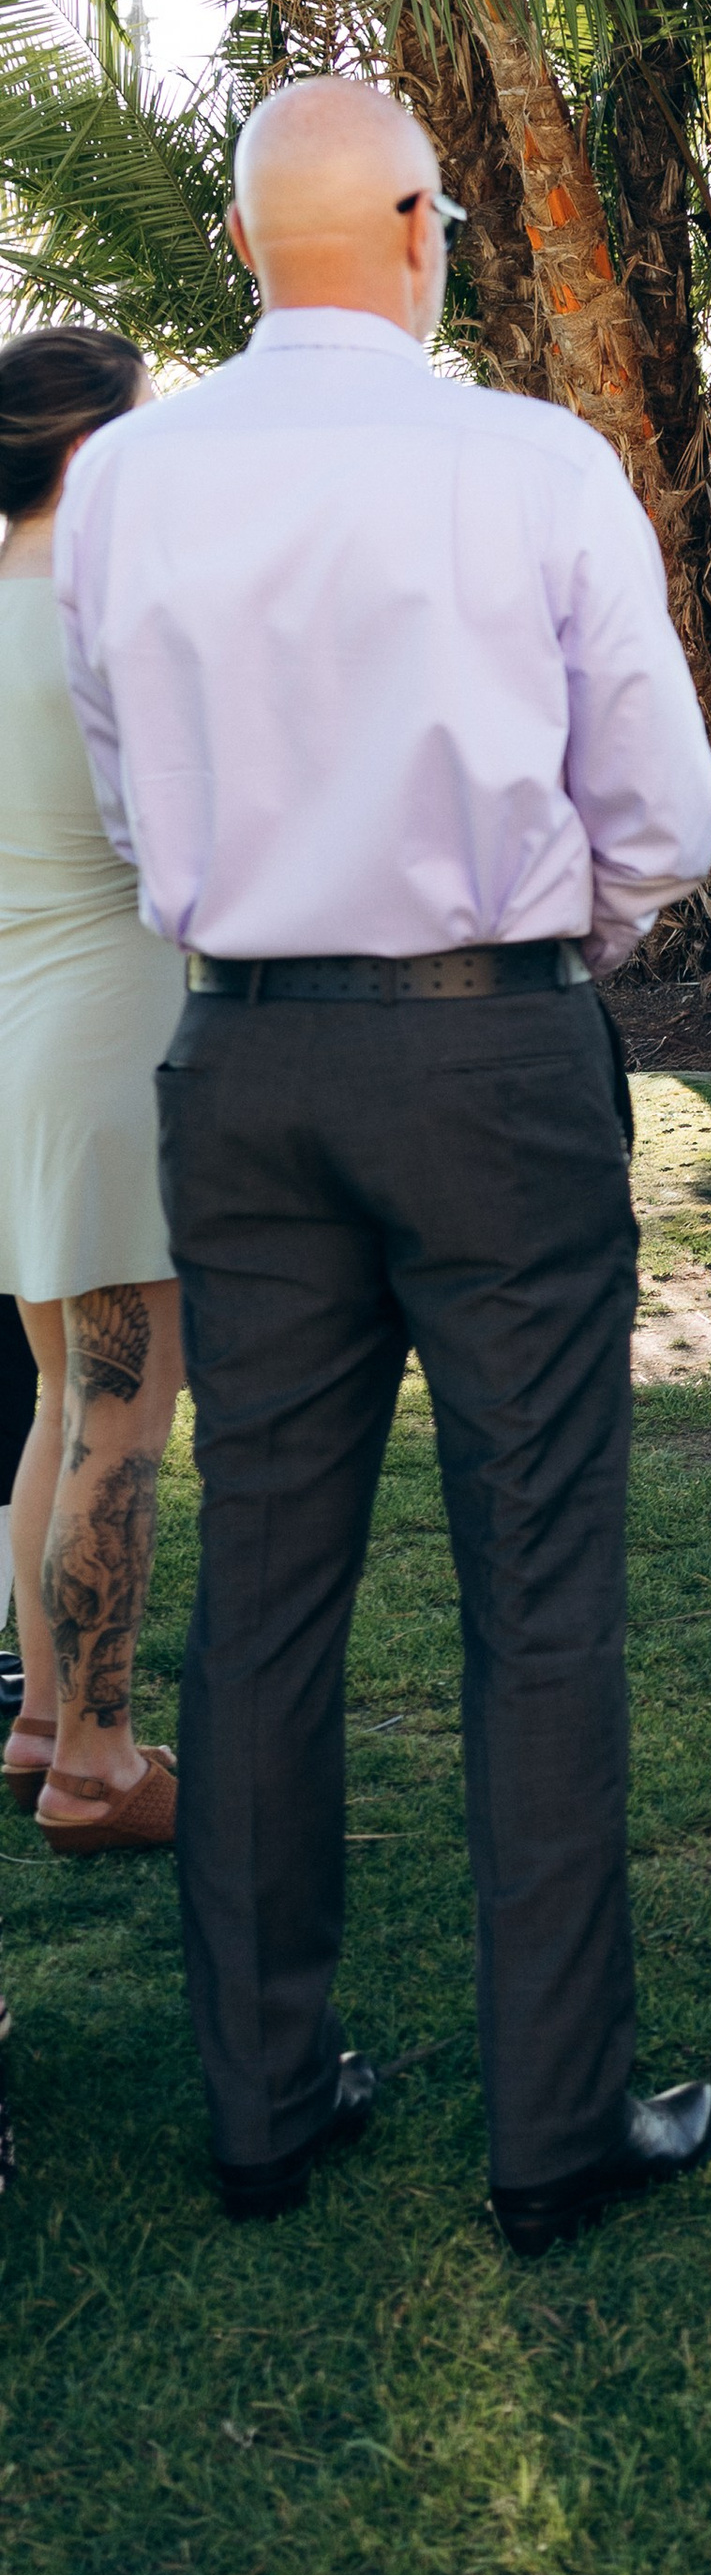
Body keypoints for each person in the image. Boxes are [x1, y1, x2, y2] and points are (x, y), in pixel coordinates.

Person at [54, 75, 711, 2253]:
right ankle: (552, 2130)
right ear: (428, 231)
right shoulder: (528, 461)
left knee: (262, 1588)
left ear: (249, 246)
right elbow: (663, 811)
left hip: (242, 1059)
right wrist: (550, 950)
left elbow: (131, 804)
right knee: (538, 1587)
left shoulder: (130, 481)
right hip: (484, 1052)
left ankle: (262, 2106)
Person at [2, 330, 190, 1860]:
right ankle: (101, 1764)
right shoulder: (108, 626)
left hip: (18, 1042)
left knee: (62, 1396)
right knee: (123, 1412)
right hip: (114, 1031)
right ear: (92, 449)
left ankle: (42, 1722)